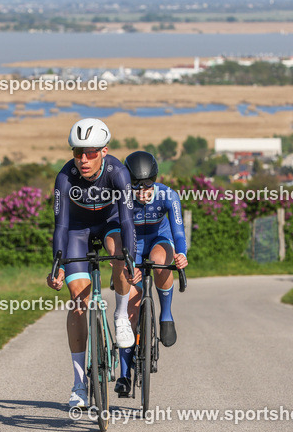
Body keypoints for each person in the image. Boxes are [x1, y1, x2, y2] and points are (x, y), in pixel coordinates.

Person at [46, 118, 138, 409]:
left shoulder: (118, 173)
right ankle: (78, 385)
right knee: (78, 302)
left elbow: (126, 220)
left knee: (119, 251)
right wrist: (57, 265)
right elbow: (60, 226)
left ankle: (121, 315)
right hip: (77, 230)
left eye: (90, 152)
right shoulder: (65, 177)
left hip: (110, 224)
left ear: (104, 151)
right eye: (77, 152)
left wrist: (131, 259)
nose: (83, 159)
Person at [115, 150, 188, 398]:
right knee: (131, 311)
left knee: (160, 262)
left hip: (159, 239)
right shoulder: (121, 196)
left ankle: (166, 314)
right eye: (136, 187)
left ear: (155, 181)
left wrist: (181, 253)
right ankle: (124, 374)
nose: (142, 192)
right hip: (133, 245)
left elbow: (178, 232)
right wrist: (127, 261)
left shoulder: (168, 195)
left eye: (148, 186)